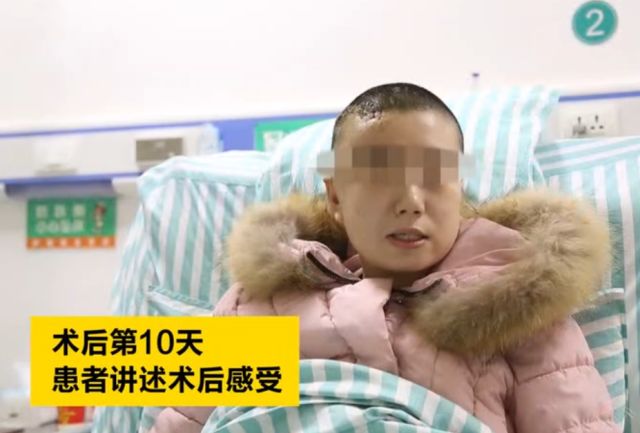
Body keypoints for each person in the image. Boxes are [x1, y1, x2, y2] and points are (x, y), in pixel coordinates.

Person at [152, 83, 618, 433]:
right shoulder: (259, 304)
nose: (411, 202)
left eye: (434, 178)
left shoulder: (521, 312)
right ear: (335, 196)